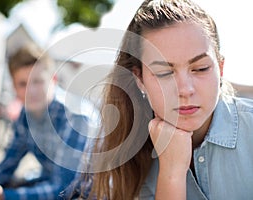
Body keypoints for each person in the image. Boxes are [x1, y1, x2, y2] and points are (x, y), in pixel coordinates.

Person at [88, 0, 253, 199]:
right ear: (139, 79)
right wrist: (171, 174)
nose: (185, 89)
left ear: (221, 68)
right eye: (164, 73)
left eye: (200, 69)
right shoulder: (133, 153)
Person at [0, 43, 90, 199]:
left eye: (37, 81)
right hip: (54, 184)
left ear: (53, 79)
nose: (30, 91)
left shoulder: (75, 117)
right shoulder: (26, 116)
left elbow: (65, 189)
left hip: (94, 193)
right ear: (13, 86)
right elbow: (6, 167)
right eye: (22, 84)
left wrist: (5, 196)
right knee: (16, 182)